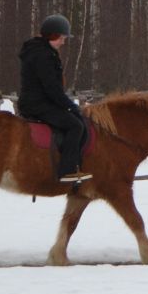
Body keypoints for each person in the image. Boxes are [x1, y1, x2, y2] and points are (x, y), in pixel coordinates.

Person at [16, 14, 92, 184]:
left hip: (39, 101)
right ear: (53, 35)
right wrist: (70, 106)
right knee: (75, 125)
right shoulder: (43, 55)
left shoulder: (41, 51)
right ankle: (67, 171)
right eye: (62, 38)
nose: (63, 42)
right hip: (38, 104)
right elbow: (52, 88)